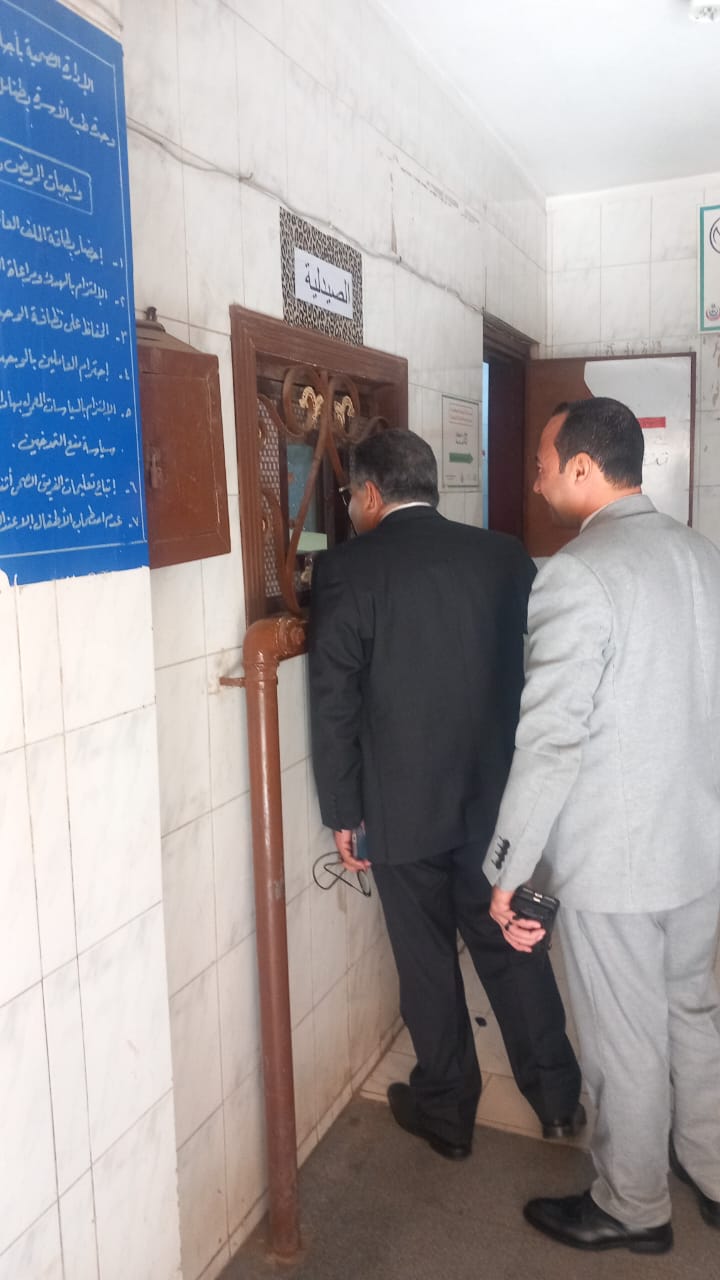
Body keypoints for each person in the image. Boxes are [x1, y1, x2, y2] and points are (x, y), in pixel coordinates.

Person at [485, 396, 720, 1255]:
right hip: (699, 846)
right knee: (693, 1013)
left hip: (619, 866)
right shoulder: (701, 555)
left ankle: (633, 1205)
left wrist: (508, 870)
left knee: (626, 1041)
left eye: (544, 465)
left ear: (584, 467)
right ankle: (712, 1169)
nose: (538, 482)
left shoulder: (576, 574)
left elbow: (551, 738)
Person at [308, 427, 583, 1161]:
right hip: (495, 799)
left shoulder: (347, 569)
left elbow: (333, 701)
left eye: (352, 495)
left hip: (399, 808)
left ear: (370, 494)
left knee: (426, 959)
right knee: (507, 944)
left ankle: (448, 1112)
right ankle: (558, 1100)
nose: (352, 506)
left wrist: (342, 810)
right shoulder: (502, 556)